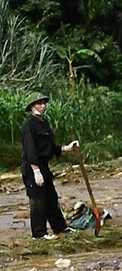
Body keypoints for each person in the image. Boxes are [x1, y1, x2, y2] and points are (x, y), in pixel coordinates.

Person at [20, 93, 78, 240]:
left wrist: (67, 148)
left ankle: (60, 227)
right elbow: (30, 150)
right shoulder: (28, 126)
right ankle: (39, 234)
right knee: (38, 201)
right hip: (33, 167)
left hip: (44, 167)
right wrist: (36, 171)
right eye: (39, 103)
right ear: (32, 106)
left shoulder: (44, 124)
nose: (43, 106)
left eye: (44, 103)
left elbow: (50, 147)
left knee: (51, 198)